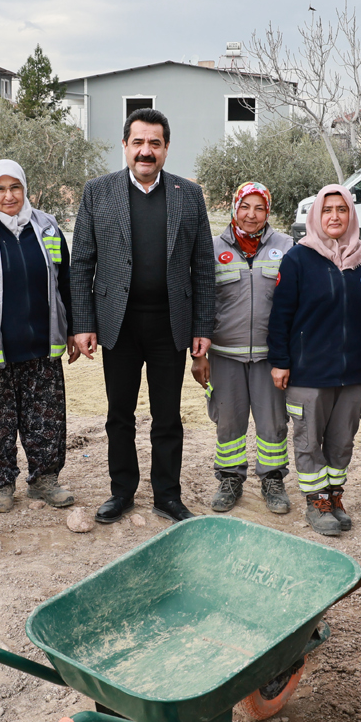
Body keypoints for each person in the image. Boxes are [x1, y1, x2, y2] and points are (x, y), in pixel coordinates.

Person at [70, 109, 216, 525]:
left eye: (155, 143)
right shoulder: (98, 193)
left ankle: (168, 495)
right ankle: (122, 492)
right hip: (119, 325)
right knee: (120, 415)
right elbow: (81, 262)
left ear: (166, 148)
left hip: (171, 325)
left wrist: (203, 327)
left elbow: (203, 266)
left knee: (168, 417)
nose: (146, 151)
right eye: (138, 142)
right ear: (125, 146)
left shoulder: (189, 195)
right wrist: (83, 323)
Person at [0, 159, 75, 513]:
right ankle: (0, 483)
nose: (8, 195)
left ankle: (45, 479)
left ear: (25, 188)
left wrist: (71, 329)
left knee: (46, 417)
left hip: (41, 343)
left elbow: (64, 280)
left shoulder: (47, 226)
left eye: (15, 187)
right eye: (0, 188)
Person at [268, 185, 361, 535]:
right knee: (308, 439)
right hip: (308, 373)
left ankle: (334, 496)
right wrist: (280, 360)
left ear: (351, 215)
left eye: (342, 209)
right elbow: (281, 315)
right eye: (327, 209)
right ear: (316, 215)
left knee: (341, 441)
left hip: (353, 374)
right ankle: (315, 501)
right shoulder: (298, 258)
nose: (335, 216)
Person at [193, 181, 295, 514]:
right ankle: (230, 479)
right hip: (225, 355)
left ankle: (273, 480)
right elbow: (201, 303)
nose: (251, 215)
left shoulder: (287, 246)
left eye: (259, 208)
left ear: (268, 211)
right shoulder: (210, 248)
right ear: (235, 208)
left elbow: (296, 302)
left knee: (274, 423)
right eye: (245, 207)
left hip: (271, 357)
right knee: (228, 423)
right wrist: (199, 355)